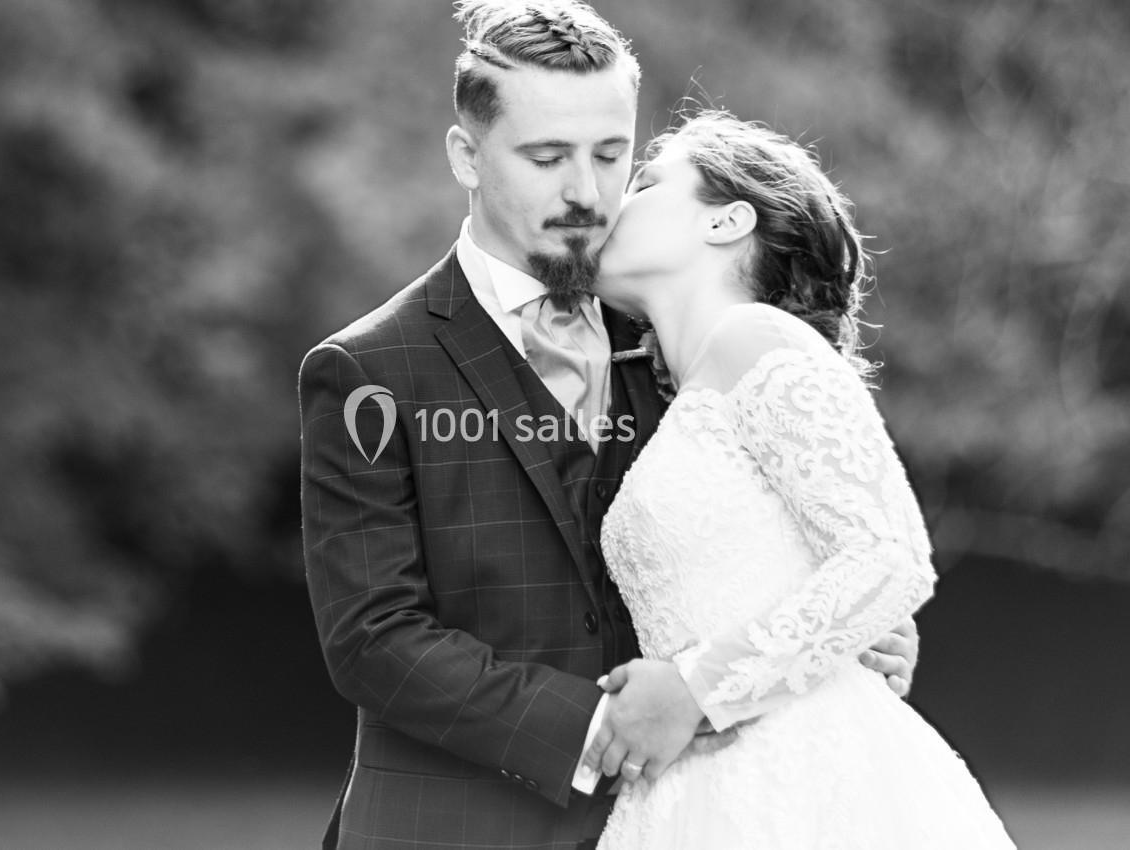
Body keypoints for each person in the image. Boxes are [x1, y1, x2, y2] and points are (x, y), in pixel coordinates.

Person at [300, 3, 917, 848]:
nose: (586, 193)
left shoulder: (688, 342)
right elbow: (374, 638)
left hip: (686, 817)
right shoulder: (367, 368)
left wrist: (843, 642)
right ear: (467, 156)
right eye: (547, 157)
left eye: (611, 154)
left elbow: (783, 541)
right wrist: (602, 728)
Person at [584, 109, 1016, 848]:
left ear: (725, 221)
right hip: (693, 787)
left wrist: (694, 689)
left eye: (646, 184)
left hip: (798, 778)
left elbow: (888, 555)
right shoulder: (687, 396)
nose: (612, 204)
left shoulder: (755, 337)